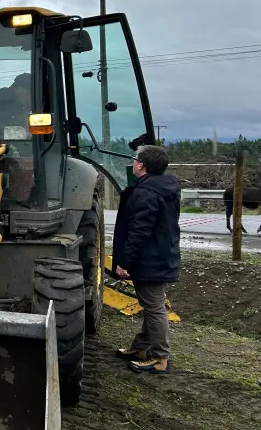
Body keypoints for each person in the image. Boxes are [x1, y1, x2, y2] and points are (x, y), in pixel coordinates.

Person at [112, 144, 181, 374]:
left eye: (135, 159)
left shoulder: (145, 192)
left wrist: (125, 261)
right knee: (152, 304)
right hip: (160, 255)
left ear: (141, 165)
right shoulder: (165, 187)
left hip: (149, 259)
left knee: (154, 307)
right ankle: (140, 347)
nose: (133, 162)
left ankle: (160, 358)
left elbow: (139, 230)